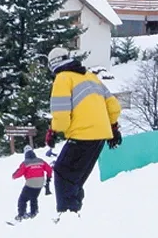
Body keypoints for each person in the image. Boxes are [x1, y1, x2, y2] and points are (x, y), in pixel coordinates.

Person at [45, 47, 122, 219]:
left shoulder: (63, 78)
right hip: (100, 136)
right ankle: (73, 212)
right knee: (76, 176)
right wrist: (114, 128)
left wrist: (54, 130)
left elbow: (61, 112)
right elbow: (113, 106)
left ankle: (67, 215)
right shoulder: (90, 77)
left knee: (62, 172)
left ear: (52, 65)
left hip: (82, 135)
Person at [11, 145, 53, 221]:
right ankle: (34, 212)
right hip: (40, 182)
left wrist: (13, 176)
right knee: (33, 197)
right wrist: (48, 178)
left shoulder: (25, 163)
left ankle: (21, 214)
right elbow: (49, 169)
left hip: (30, 183)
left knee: (22, 199)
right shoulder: (40, 160)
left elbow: (19, 173)